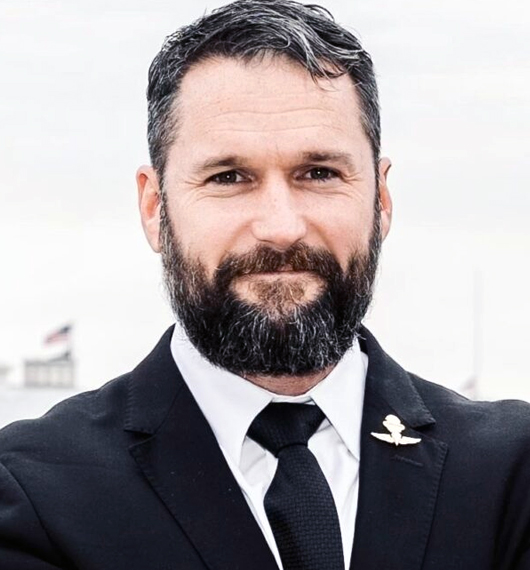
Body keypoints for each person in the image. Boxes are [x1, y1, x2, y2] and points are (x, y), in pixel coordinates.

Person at [1, 1, 530, 568]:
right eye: (229, 177)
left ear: (381, 200)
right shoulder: (33, 495)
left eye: (319, 173)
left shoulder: (511, 476)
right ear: (155, 208)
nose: (281, 227)